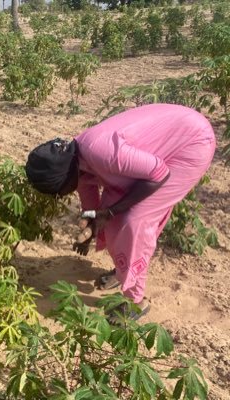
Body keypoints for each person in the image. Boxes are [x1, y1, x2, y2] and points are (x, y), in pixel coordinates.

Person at [25, 103, 216, 319]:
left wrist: (111, 212)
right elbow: (89, 198)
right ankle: (123, 272)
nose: (62, 195)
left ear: (64, 176)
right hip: (162, 147)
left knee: (134, 220)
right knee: (114, 216)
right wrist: (91, 227)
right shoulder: (74, 158)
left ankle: (135, 300)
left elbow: (159, 174)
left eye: (59, 191)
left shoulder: (103, 153)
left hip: (190, 143)